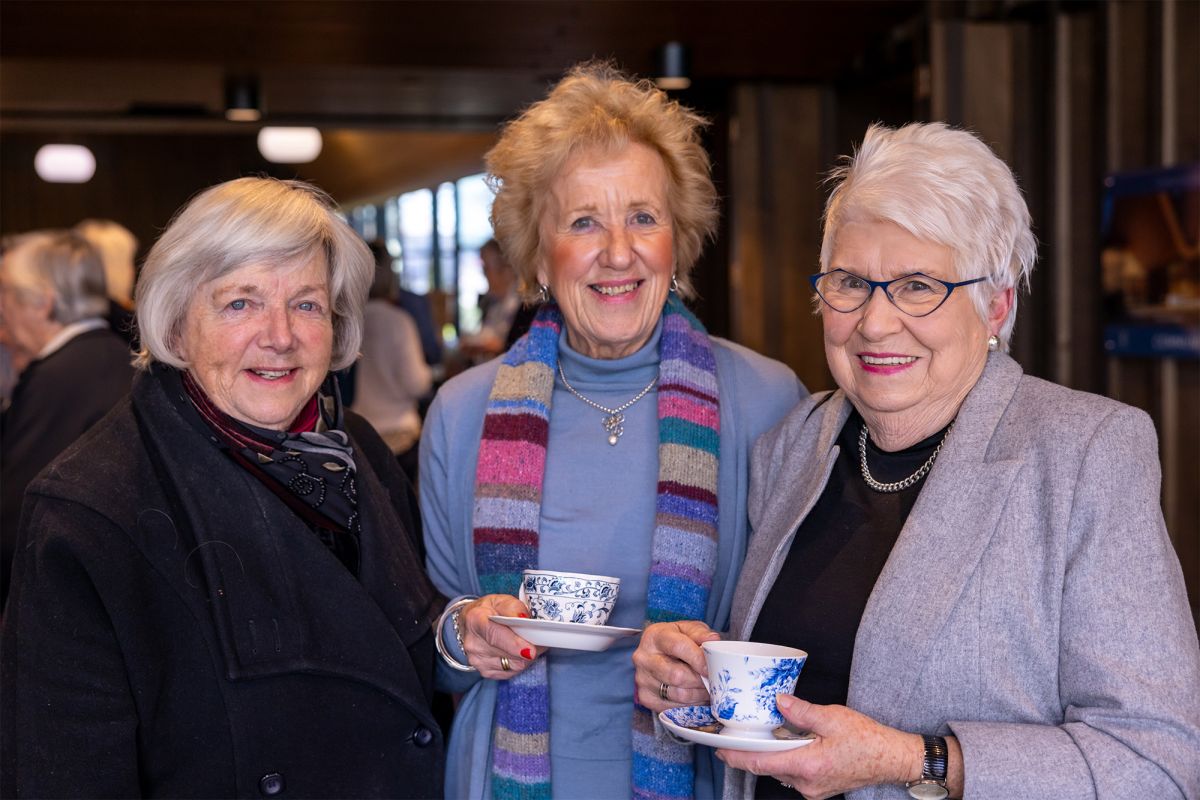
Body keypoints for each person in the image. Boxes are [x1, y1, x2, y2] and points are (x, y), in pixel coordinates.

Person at [632, 123, 1200, 800]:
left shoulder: (1084, 455)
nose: (874, 323)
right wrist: (691, 672)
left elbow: (1157, 761)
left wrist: (919, 760)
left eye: (918, 286)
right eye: (850, 282)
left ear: (997, 304)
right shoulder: (794, 445)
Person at [420, 63, 806, 800]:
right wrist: (464, 635)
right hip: (502, 777)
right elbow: (433, 649)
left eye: (643, 217)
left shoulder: (765, 399)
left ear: (680, 238)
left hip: (698, 780)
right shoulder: (463, 413)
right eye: (584, 222)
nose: (619, 252)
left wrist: (710, 664)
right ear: (537, 252)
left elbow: (792, 636)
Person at [0, 178, 446, 798]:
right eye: (241, 303)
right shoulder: (90, 508)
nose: (281, 335)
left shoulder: (358, 451)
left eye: (308, 304)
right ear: (176, 326)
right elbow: (63, 775)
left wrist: (460, 628)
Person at [0, 230, 133, 610]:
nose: (1, 306)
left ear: (43, 302)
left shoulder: (59, 376)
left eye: (5, 291)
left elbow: (18, 520)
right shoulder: (114, 354)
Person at [352, 248, 433, 485]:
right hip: (399, 433)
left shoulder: (349, 323)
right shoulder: (398, 321)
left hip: (361, 429)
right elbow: (416, 383)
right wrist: (432, 372)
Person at [74, 218, 139, 347]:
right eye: (128, 261)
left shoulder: (67, 314)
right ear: (115, 267)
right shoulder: (125, 323)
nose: (132, 271)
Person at [459, 238, 522, 361]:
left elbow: (522, 350)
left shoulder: (526, 306)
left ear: (506, 269)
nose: (484, 274)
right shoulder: (491, 303)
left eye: (486, 268)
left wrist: (495, 347)